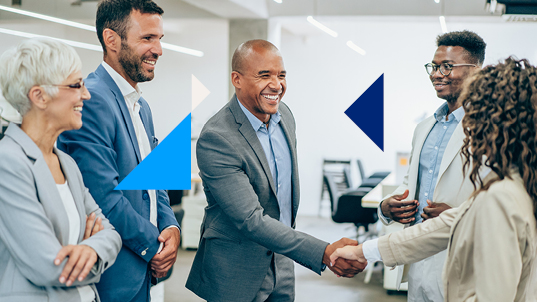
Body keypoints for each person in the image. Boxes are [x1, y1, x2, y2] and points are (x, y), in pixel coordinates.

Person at [331, 57, 537, 302]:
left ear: (499, 123)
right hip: (422, 268)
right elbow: (447, 224)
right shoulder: (519, 183)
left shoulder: (501, 197)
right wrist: (364, 250)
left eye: (477, 113)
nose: (470, 124)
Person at [186, 39, 364, 302]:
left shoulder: (285, 117)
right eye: (264, 75)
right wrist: (323, 251)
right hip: (236, 269)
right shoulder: (217, 137)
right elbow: (251, 220)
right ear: (237, 79)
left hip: (283, 262)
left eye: (281, 75)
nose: (277, 85)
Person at [57, 0, 180, 301]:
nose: (158, 50)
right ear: (112, 40)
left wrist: (171, 227)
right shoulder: (93, 99)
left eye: (159, 39)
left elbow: (154, 180)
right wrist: (156, 245)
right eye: (147, 39)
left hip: (141, 272)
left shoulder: (142, 107)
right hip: (112, 274)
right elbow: (103, 195)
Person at [0, 38, 122, 302]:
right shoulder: (7, 163)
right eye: (76, 85)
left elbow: (111, 234)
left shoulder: (66, 163)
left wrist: (90, 249)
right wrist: (96, 251)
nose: (86, 94)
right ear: (39, 96)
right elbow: (49, 265)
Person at [377, 30, 487, 301]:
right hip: (419, 260)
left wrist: (458, 217)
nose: (437, 74)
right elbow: (411, 183)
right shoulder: (424, 128)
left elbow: (499, 197)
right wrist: (387, 207)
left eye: (447, 66)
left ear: (476, 70)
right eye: (434, 66)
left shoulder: (491, 128)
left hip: (463, 260)